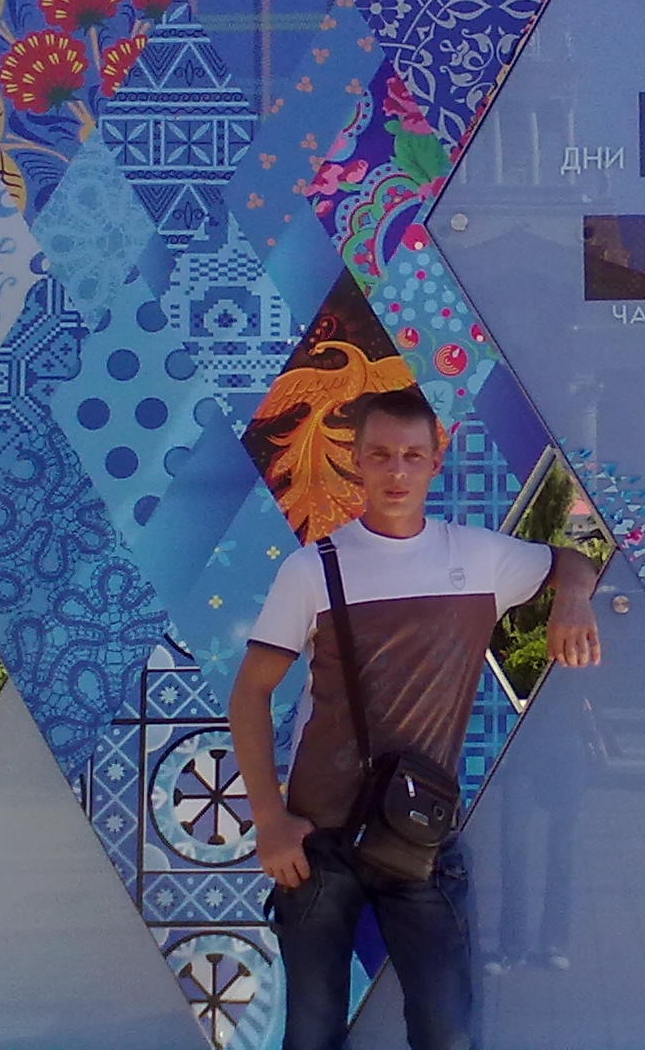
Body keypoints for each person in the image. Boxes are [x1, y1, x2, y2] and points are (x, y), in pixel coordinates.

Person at [230, 387, 601, 1050]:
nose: (396, 471)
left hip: (420, 841)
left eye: (410, 455)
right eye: (380, 455)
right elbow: (250, 693)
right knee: (311, 1035)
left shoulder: (481, 558)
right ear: (356, 461)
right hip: (317, 844)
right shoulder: (312, 570)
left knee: (444, 1031)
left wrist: (572, 602)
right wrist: (269, 820)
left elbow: (573, 562)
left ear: (436, 462)